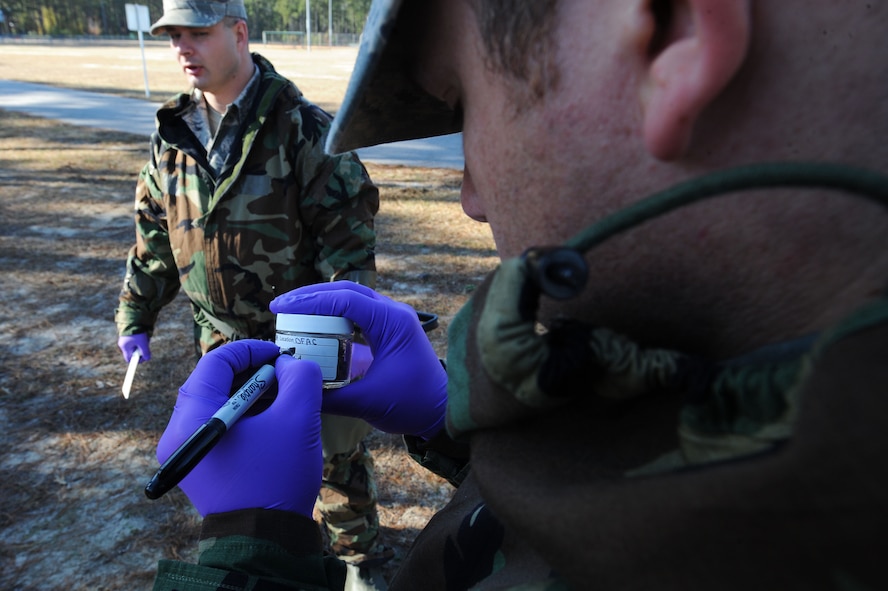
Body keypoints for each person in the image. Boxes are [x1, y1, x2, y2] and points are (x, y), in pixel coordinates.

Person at [151, 0, 888, 589]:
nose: (470, 195)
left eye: (463, 104)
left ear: (676, 33)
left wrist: (246, 551)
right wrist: (454, 428)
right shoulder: (745, 439)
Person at [114, 0, 392, 570]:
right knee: (235, 459)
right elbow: (154, 239)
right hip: (223, 347)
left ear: (238, 33)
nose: (182, 48)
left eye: (197, 32)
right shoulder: (172, 135)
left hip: (303, 345)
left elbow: (348, 250)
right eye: (173, 36)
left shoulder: (303, 129)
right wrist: (136, 316)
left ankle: (358, 561)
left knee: (333, 462)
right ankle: (259, 560)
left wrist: (345, 345)